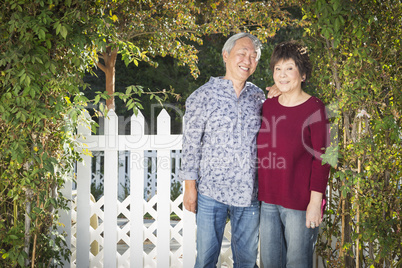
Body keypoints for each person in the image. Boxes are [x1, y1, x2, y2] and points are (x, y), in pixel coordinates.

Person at [179, 32, 277, 268]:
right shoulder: (202, 96)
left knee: (246, 261)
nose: (248, 60)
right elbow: (190, 146)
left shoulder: (257, 96)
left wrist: (282, 89)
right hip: (211, 193)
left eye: (254, 56)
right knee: (205, 260)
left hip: (248, 194)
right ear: (226, 55)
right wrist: (190, 188)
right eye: (242, 53)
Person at [257, 41, 330, 268]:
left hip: (300, 204)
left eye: (289, 68)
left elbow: (324, 158)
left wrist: (315, 203)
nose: (282, 75)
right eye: (278, 69)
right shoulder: (268, 106)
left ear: (303, 74)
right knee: (270, 264)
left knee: (297, 264)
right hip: (268, 201)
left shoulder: (316, 108)